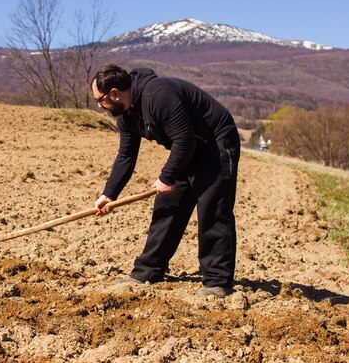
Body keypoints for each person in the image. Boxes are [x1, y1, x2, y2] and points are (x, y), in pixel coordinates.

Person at [91, 64, 240, 298]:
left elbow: (185, 139)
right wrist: (109, 193)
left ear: (115, 93)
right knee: (168, 207)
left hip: (215, 144)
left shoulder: (158, 95)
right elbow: (126, 156)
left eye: (100, 100)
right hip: (187, 148)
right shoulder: (127, 116)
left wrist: (166, 177)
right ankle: (148, 270)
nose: (99, 106)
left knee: (213, 208)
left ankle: (217, 281)